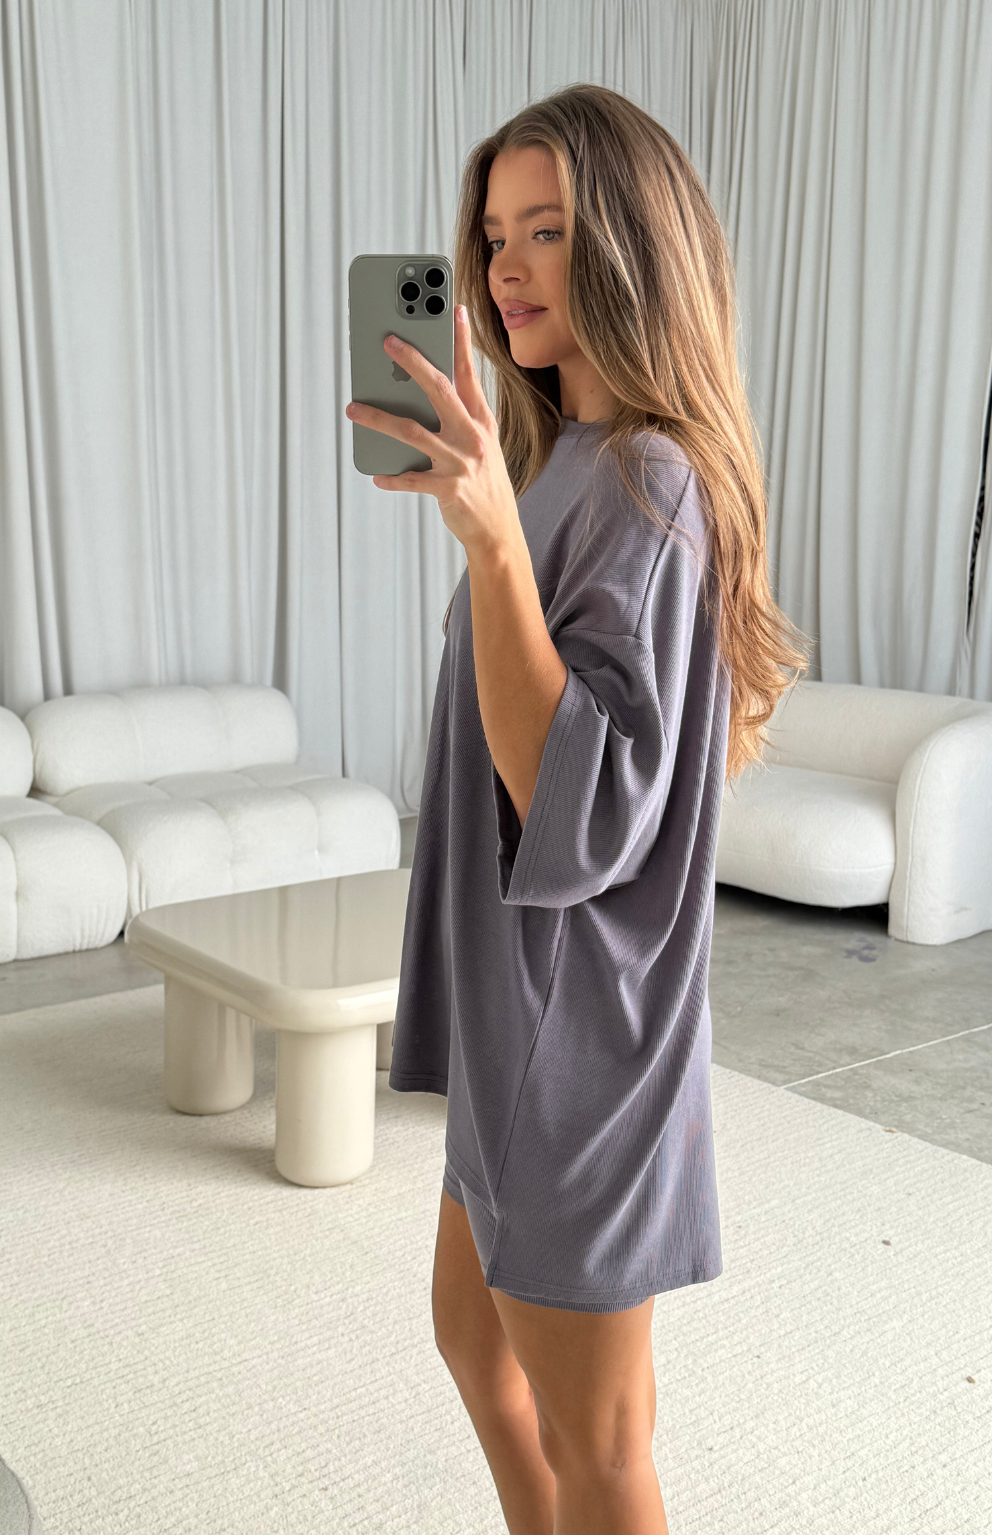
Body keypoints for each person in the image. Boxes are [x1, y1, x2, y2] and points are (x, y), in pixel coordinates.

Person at [346, 82, 809, 1535]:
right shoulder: (556, 464)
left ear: (628, 245)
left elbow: (582, 814)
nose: (504, 268)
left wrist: (492, 550)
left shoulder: (652, 485)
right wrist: (497, 524)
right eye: (493, 235)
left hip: (580, 1038)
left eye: (545, 230)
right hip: (517, 1017)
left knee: (601, 1442)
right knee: (472, 1340)